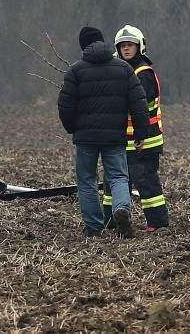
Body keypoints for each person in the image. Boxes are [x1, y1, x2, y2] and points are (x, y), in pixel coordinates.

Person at [58, 26, 150, 238]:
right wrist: (141, 133)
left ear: (83, 46)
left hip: (85, 138)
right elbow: (139, 103)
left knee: (87, 181)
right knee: (118, 176)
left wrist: (72, 128)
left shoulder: (75, 70)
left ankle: (93, 228)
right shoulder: (124, 69)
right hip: (115, 137)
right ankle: (121, 209)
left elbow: (64, 105)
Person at [102, 25, 170, 233]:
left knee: (146, 182)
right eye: (123, 45)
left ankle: (157, 223)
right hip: (122, 139)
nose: (126, 49)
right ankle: (110, 222)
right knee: (112, 182)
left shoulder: (143, 73)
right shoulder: (119, 70)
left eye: (130, 45)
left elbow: (139, 104)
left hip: (144, 140)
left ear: (139, 47)